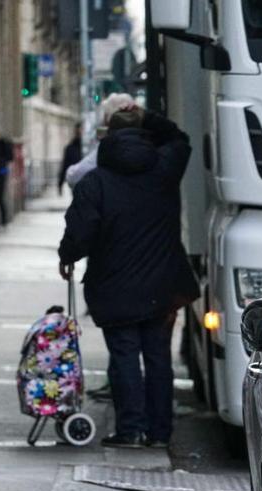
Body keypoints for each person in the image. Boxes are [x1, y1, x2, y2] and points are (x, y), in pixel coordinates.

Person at [58, 108, 199, 449]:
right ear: (145, 134)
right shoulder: (164, 169)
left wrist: (67, 257)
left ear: (106, 136)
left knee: (123, 357)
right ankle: (160, 432)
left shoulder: (96, 182)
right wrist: (149, 117)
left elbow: (81, 230)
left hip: (113, 285)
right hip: (161, 286)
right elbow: (181, 139)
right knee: (158, 357)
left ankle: (130, 429)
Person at [65, 93, 136, 189]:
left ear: (109, 119)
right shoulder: (147, 139)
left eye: (105, 116)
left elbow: (74, 176)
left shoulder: (110, 145)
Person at [58, 123, 83, 195]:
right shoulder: (70, 148)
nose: (80, 133)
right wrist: (60, 183)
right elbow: (65, 165)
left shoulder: (89, 148)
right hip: (76, 180)